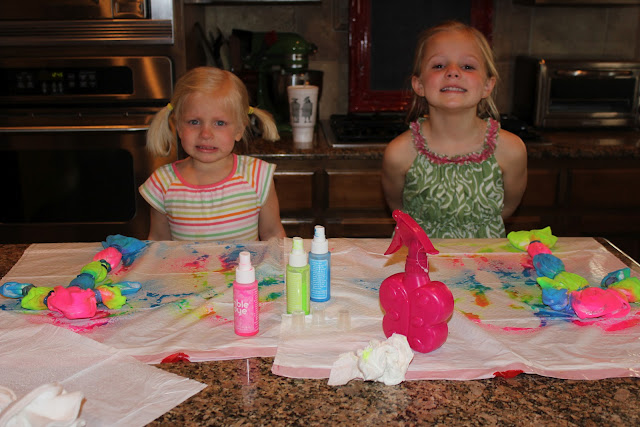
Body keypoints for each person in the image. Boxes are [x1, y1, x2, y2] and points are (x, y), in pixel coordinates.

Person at [382, 21, 527, 238]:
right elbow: (398, 208)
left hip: (484, 258)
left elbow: (506, 208)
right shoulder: (399, 153)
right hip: (419, 258)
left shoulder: (511, 150)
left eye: (467, 66)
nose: (452, 72)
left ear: (487, 85)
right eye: (439, 66)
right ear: (419, 84)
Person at [139, 67, 286, 241]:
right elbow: (158, 244)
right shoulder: (162, 183)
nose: (206, 134)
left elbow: (273, 235)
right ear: (178, 126)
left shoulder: (258, 176)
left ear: (239, 129)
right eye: (194, 122)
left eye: (219, 123)